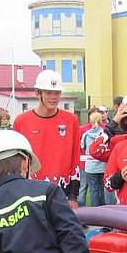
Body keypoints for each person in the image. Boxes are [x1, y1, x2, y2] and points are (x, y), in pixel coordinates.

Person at [13, 69, 81, 204]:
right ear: (37, 93)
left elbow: (75, 160)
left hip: (62, 192)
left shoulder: (71, 120)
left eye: (57, 93)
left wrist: (73, 196)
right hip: (30, 193)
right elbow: (15, 161)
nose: (53, 97)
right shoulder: (21, 121)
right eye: (48, 92)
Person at [79, 110, 107, 206]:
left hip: (90, 167)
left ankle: (95, 208)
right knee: (102, 188)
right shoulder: (105, 133)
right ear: (100, 120)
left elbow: (83, 147)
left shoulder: (86, 134)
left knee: (93, 189)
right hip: (103, 165)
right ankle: (104, 208)